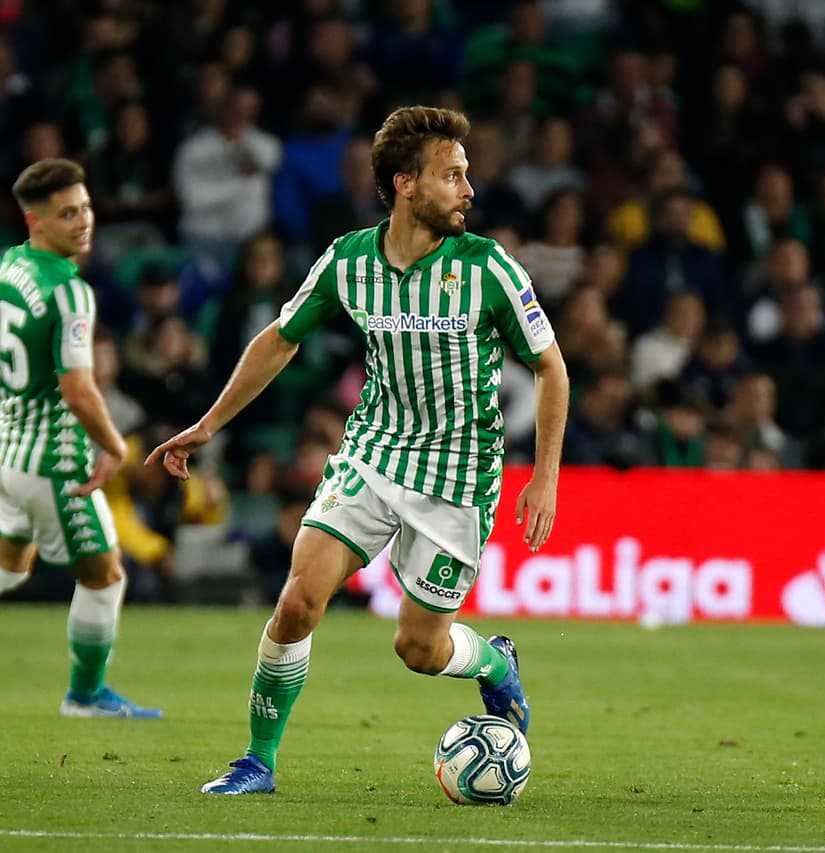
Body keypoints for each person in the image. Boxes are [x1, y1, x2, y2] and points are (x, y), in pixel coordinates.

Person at [146, 106, 570, 795]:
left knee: (419, 648)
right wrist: (209, 423)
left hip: (458, 474)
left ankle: (494, 663)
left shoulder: (489, 267)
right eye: (451, 175)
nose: (468, 189)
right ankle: (257, 760)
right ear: (405, 183)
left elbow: (551, 366)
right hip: (374, 452)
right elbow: (280, 338)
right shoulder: (348, 260)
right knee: (297, 602)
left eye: (466, 175)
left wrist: (544, 475)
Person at [0, 158, 161, 718]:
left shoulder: (9, 266)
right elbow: (78, 389)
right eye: (68, 213)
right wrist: (114, 446)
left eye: (86, 208)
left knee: (10, 569)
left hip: (8, 451)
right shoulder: (69, 292)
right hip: (53, 461)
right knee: (105, 575)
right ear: (36, 220)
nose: (84, 221)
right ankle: (85, 697)